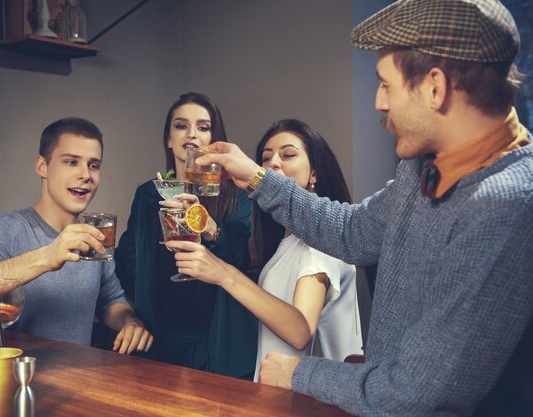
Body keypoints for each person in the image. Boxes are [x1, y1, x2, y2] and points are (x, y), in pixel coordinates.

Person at [194, 1, 533, 415]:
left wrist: (299, 375)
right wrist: (256, 176)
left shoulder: (505, 207)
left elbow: (419, 394)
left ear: (434, 87)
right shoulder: (421, 168)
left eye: (386, 85)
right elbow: (351, 232)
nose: (378, 102)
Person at [167, 119, 363, 381]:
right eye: (266, 158)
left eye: (288, 154)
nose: (274, 163)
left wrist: (223, 273)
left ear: (314, 172)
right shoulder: (288, 242)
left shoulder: (319, 242)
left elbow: (300, 331)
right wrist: (206, 223)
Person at [0, 117, 153, 354]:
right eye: (71, 162)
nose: (85, 174)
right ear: (42, 166)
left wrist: (131, 323)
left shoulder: (94, 237)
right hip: (20, 382)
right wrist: (47, 256)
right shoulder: (12, 228)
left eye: (94, 165)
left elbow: (111, 300)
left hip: (80, 382)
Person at [115, 93, 257, 378]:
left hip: (215, 339)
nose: (192, 134)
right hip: (157, 337)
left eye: (203, 127)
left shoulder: (234, 195)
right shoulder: (148, 193)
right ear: (168, 138)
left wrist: (207, 225)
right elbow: (126, 259)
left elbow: (240, 260)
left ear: (214, 141)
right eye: (181, 125)